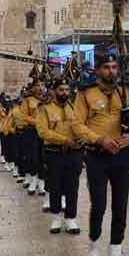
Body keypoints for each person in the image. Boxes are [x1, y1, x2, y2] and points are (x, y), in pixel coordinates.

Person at [73, 51, 129, 256]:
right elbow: (77, 124)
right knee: (98, 205)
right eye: (107, 67)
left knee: (121, 206)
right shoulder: (85, 93)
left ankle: (116, 254)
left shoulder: (127, 92)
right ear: (98, 70)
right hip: (97, 154)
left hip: (122, 155)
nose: (111, 71)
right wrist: (99, 139)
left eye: (114, 67)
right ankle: (94, 249)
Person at [36, 79, 82, 235]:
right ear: (54, 91)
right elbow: (43, 131)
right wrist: (64, 140)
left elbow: (82, 125)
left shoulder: (75, 108)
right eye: (61, 90)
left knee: (72, 187)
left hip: (74, 153)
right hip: (53, 153)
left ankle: (71, 219)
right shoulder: (44, 109)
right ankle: (56, 218)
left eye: (67, 89)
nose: (65, 93)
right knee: (54, 186)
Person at [17, 81, 47, 196]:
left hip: (44, 132)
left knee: (43, 158)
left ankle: (41, 182)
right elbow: (23, 116)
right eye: (38, 86)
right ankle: (33, 180)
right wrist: (38, 122)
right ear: (33, 88)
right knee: (33, 157)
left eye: (42, 85)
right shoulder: (28, 100)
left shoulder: (46, 100)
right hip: (31, 132)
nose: (40, 88)